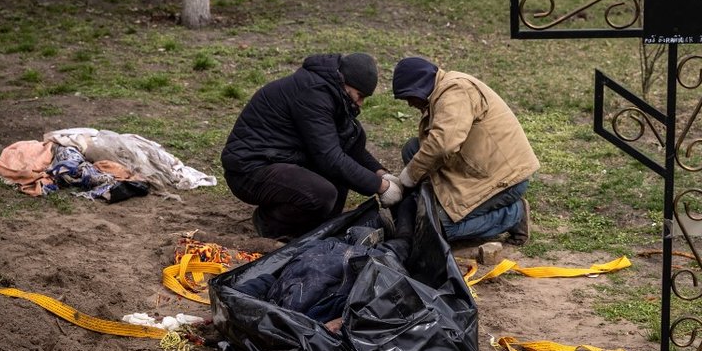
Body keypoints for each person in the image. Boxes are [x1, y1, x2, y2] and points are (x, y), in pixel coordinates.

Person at [221, 53, 402, 240]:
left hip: (280, 159)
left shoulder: (332, 92)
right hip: (249, 168)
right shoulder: (313, 94)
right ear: (346, 83)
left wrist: (380, 173)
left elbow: (348, 146)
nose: (360, 103)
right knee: (321, 193)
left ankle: (316, 228)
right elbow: (330, 157)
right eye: (360, 95)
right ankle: (271, 224)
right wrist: (380, 187)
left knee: (340, 176)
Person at [390, 56, 539, 244]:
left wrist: (409, 176)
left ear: (419, 86)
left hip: (505, 179)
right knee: (412, 149)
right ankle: (434, 202)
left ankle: (513, 214)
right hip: (480, 165)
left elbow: (443, 145)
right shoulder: (441, 91)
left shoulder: (455, 91)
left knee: (440, 227)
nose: (410, 104)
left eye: (409, 97)